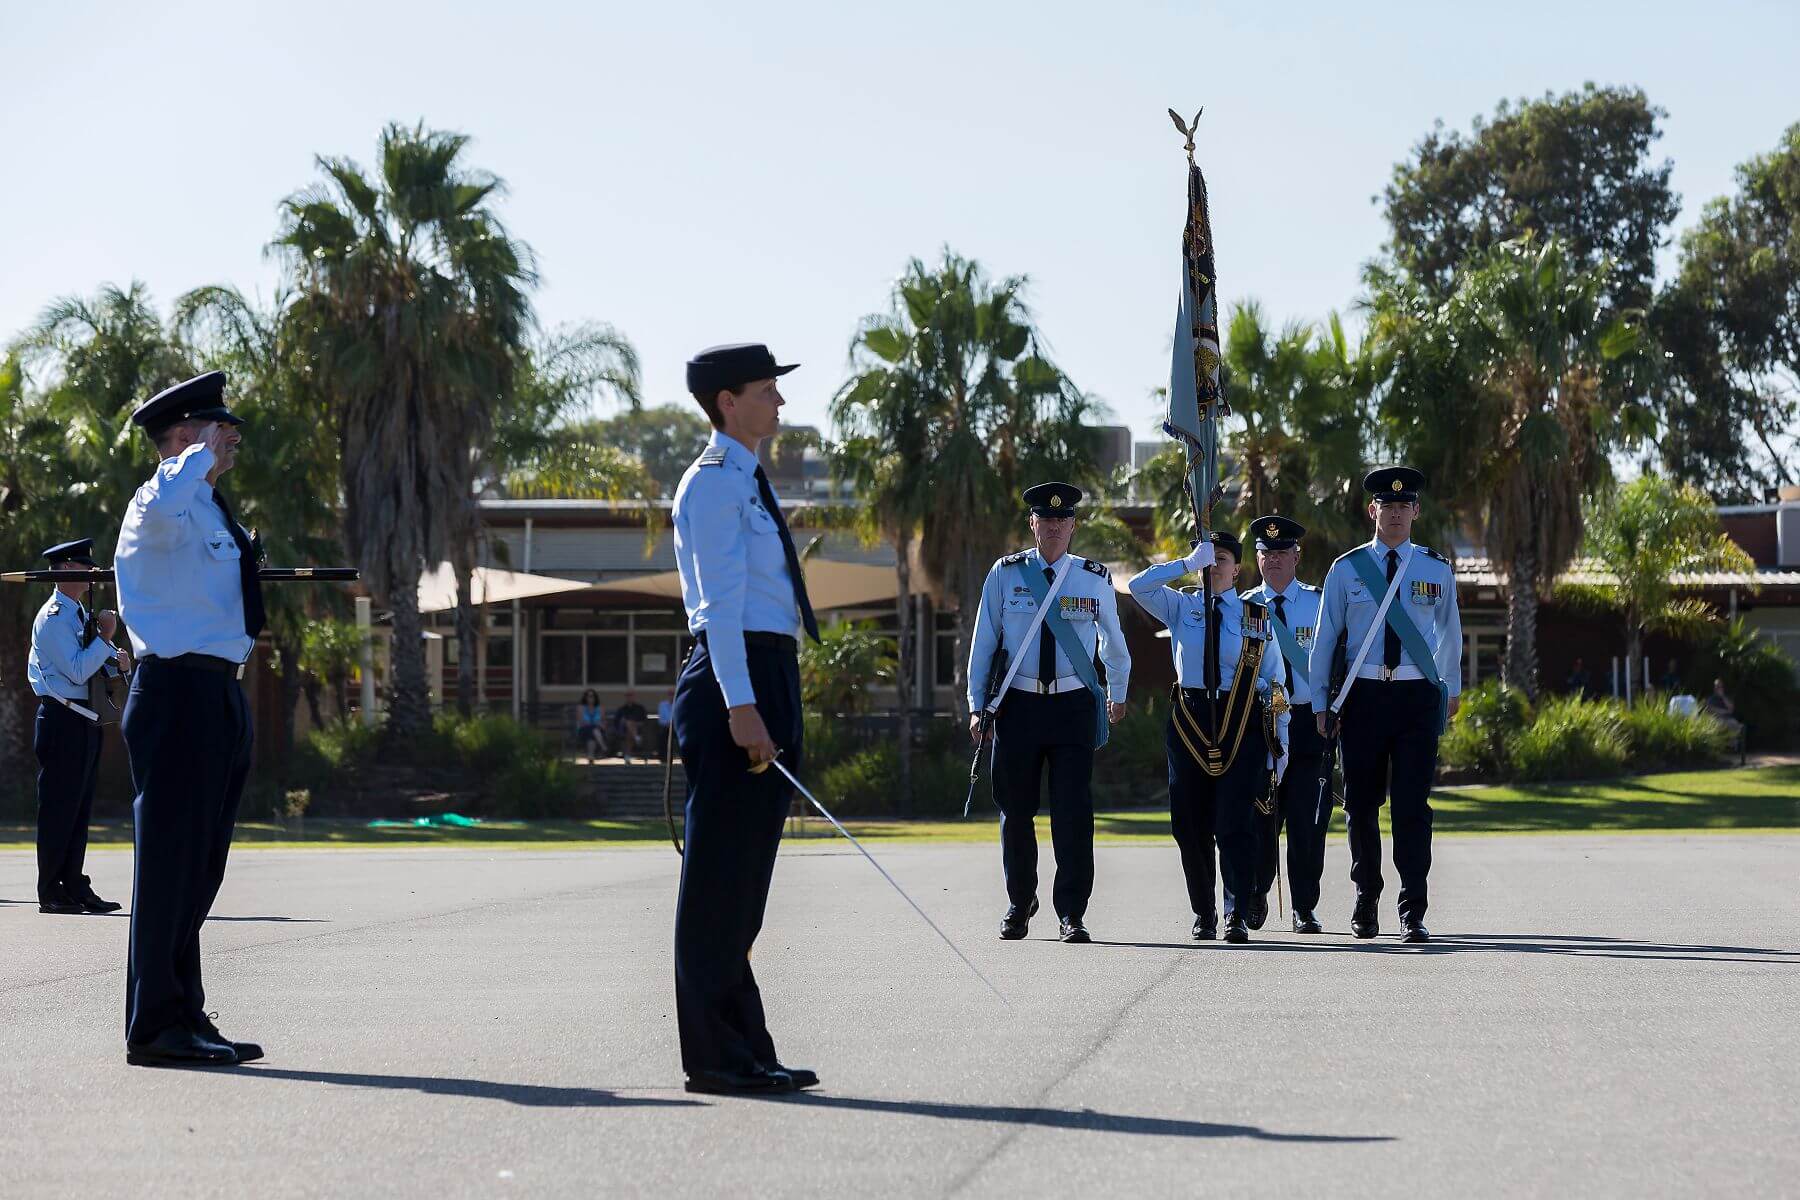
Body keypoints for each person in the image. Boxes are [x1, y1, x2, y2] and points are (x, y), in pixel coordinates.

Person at [669, 343, 821, 1095]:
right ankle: (716, 1057)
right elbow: (720, 610)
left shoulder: (750, 481)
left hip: (769, 673)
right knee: (718, 883)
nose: (779, 404)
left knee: (745, 884)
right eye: (768, 391)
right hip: (738, 679)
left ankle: (747, 1047)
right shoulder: (712, 486)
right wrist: (741, 705)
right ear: (728, 401)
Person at [115, 370, 265, 1067]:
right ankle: (153, 1026)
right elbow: (171, 489)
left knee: (201, 868)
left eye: (220, 434)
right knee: (170, 866)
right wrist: (195, 455)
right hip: (174, 692)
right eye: (203, 433)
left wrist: (204, 463)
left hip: (217, 692)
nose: (220, 443)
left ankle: (185, 1011)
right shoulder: (158, 498)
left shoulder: (206, 509)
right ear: (174, 440)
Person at [967, 481, 1131, 945]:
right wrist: (978, 706)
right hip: (1018, 705)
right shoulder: (1005, 573)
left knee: (1072, 812)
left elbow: (1113, 643)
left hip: (1072, 704)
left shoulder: (1093, 577)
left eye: (1063, 520)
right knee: (1015, 810)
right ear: (1032, 523)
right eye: (1046, 519)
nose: (1055, 527)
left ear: (1074, 526)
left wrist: (1117, 691)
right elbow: (984, 645)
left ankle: (1072, 912)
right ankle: (1020, 902)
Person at [1308, 467, 1461, 944]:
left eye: (1403, 506)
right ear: (1372, 510)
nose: (1394, 514)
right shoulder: (1347, 569)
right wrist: (1320, 701)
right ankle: (1365, 899)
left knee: (1413, 807)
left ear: (1416, 511)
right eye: (1386, 506)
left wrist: (1450, 689)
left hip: (1416, 695)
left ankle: (1412, 907)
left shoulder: (1435, 568)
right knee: (1360, 805)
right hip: (1364, 696)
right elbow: (1325, 637)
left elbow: (1450, 634)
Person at [1129, 531, 1287, 943]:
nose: (1214, 565)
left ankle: (1235, 912)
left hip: (1241, 720)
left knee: (1235, 821)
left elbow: (1274, 680)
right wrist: (1185, 563)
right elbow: (1137, 586)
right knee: (1189, 823)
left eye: (1222, 558)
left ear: (1238, 569)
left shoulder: (1255, 616)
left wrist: (1278, 745)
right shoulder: (1182, 606)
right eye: (1209, 558)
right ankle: (1204, 912)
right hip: (1190, 719)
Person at [26, 538, 130, 915]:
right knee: (58, 808)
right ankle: (51, 889)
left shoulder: (75, 614)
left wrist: (112, 657)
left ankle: (73, 884)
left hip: (84, 720)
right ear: (67, 570)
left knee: (78, 809)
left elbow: (90, 670)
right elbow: (74, 670)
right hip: (63, 719)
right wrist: (103, 639)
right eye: (86, 567)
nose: (92, 572)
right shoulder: (53, 616)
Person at [1239, 515, 1329, 934]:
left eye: (1281, 553)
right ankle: (1256, 891)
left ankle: (1303, 906)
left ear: (1297, 556)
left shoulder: (1320, 602)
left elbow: (1336, 659)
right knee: (1260, 817)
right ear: (1257, 559)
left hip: (1309, 723)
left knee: (1308, 821)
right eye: (1265, 553)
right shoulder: (1241, 607)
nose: (1273, 560)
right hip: (1260, 725)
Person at [615, 690, 648, 764]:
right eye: (628, 696)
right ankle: (637, 738)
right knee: (628, 724)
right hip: (623, 730)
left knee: (629, 732)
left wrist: (634, 723)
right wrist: (624, 722)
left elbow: (644, 721)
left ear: (634, 697)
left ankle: (627, 756)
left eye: (631, 695)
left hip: (638, 729)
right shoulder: (621, 709)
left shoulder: (640, 708)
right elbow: (617, 722)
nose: (629, 697)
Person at [574, 688, 606, 759]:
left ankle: (590, 756)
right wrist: (595, 724)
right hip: (583, 729)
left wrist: (600, 724)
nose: (590, 698)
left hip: (598, 730)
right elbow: (581, 722)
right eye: (588, 696)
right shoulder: (581, 707)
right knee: (593, 730)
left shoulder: (600, 708)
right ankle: (603, 747)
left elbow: (603, 722)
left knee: (592, 734)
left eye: (592, 696)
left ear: (595, 697)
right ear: (585, 697)